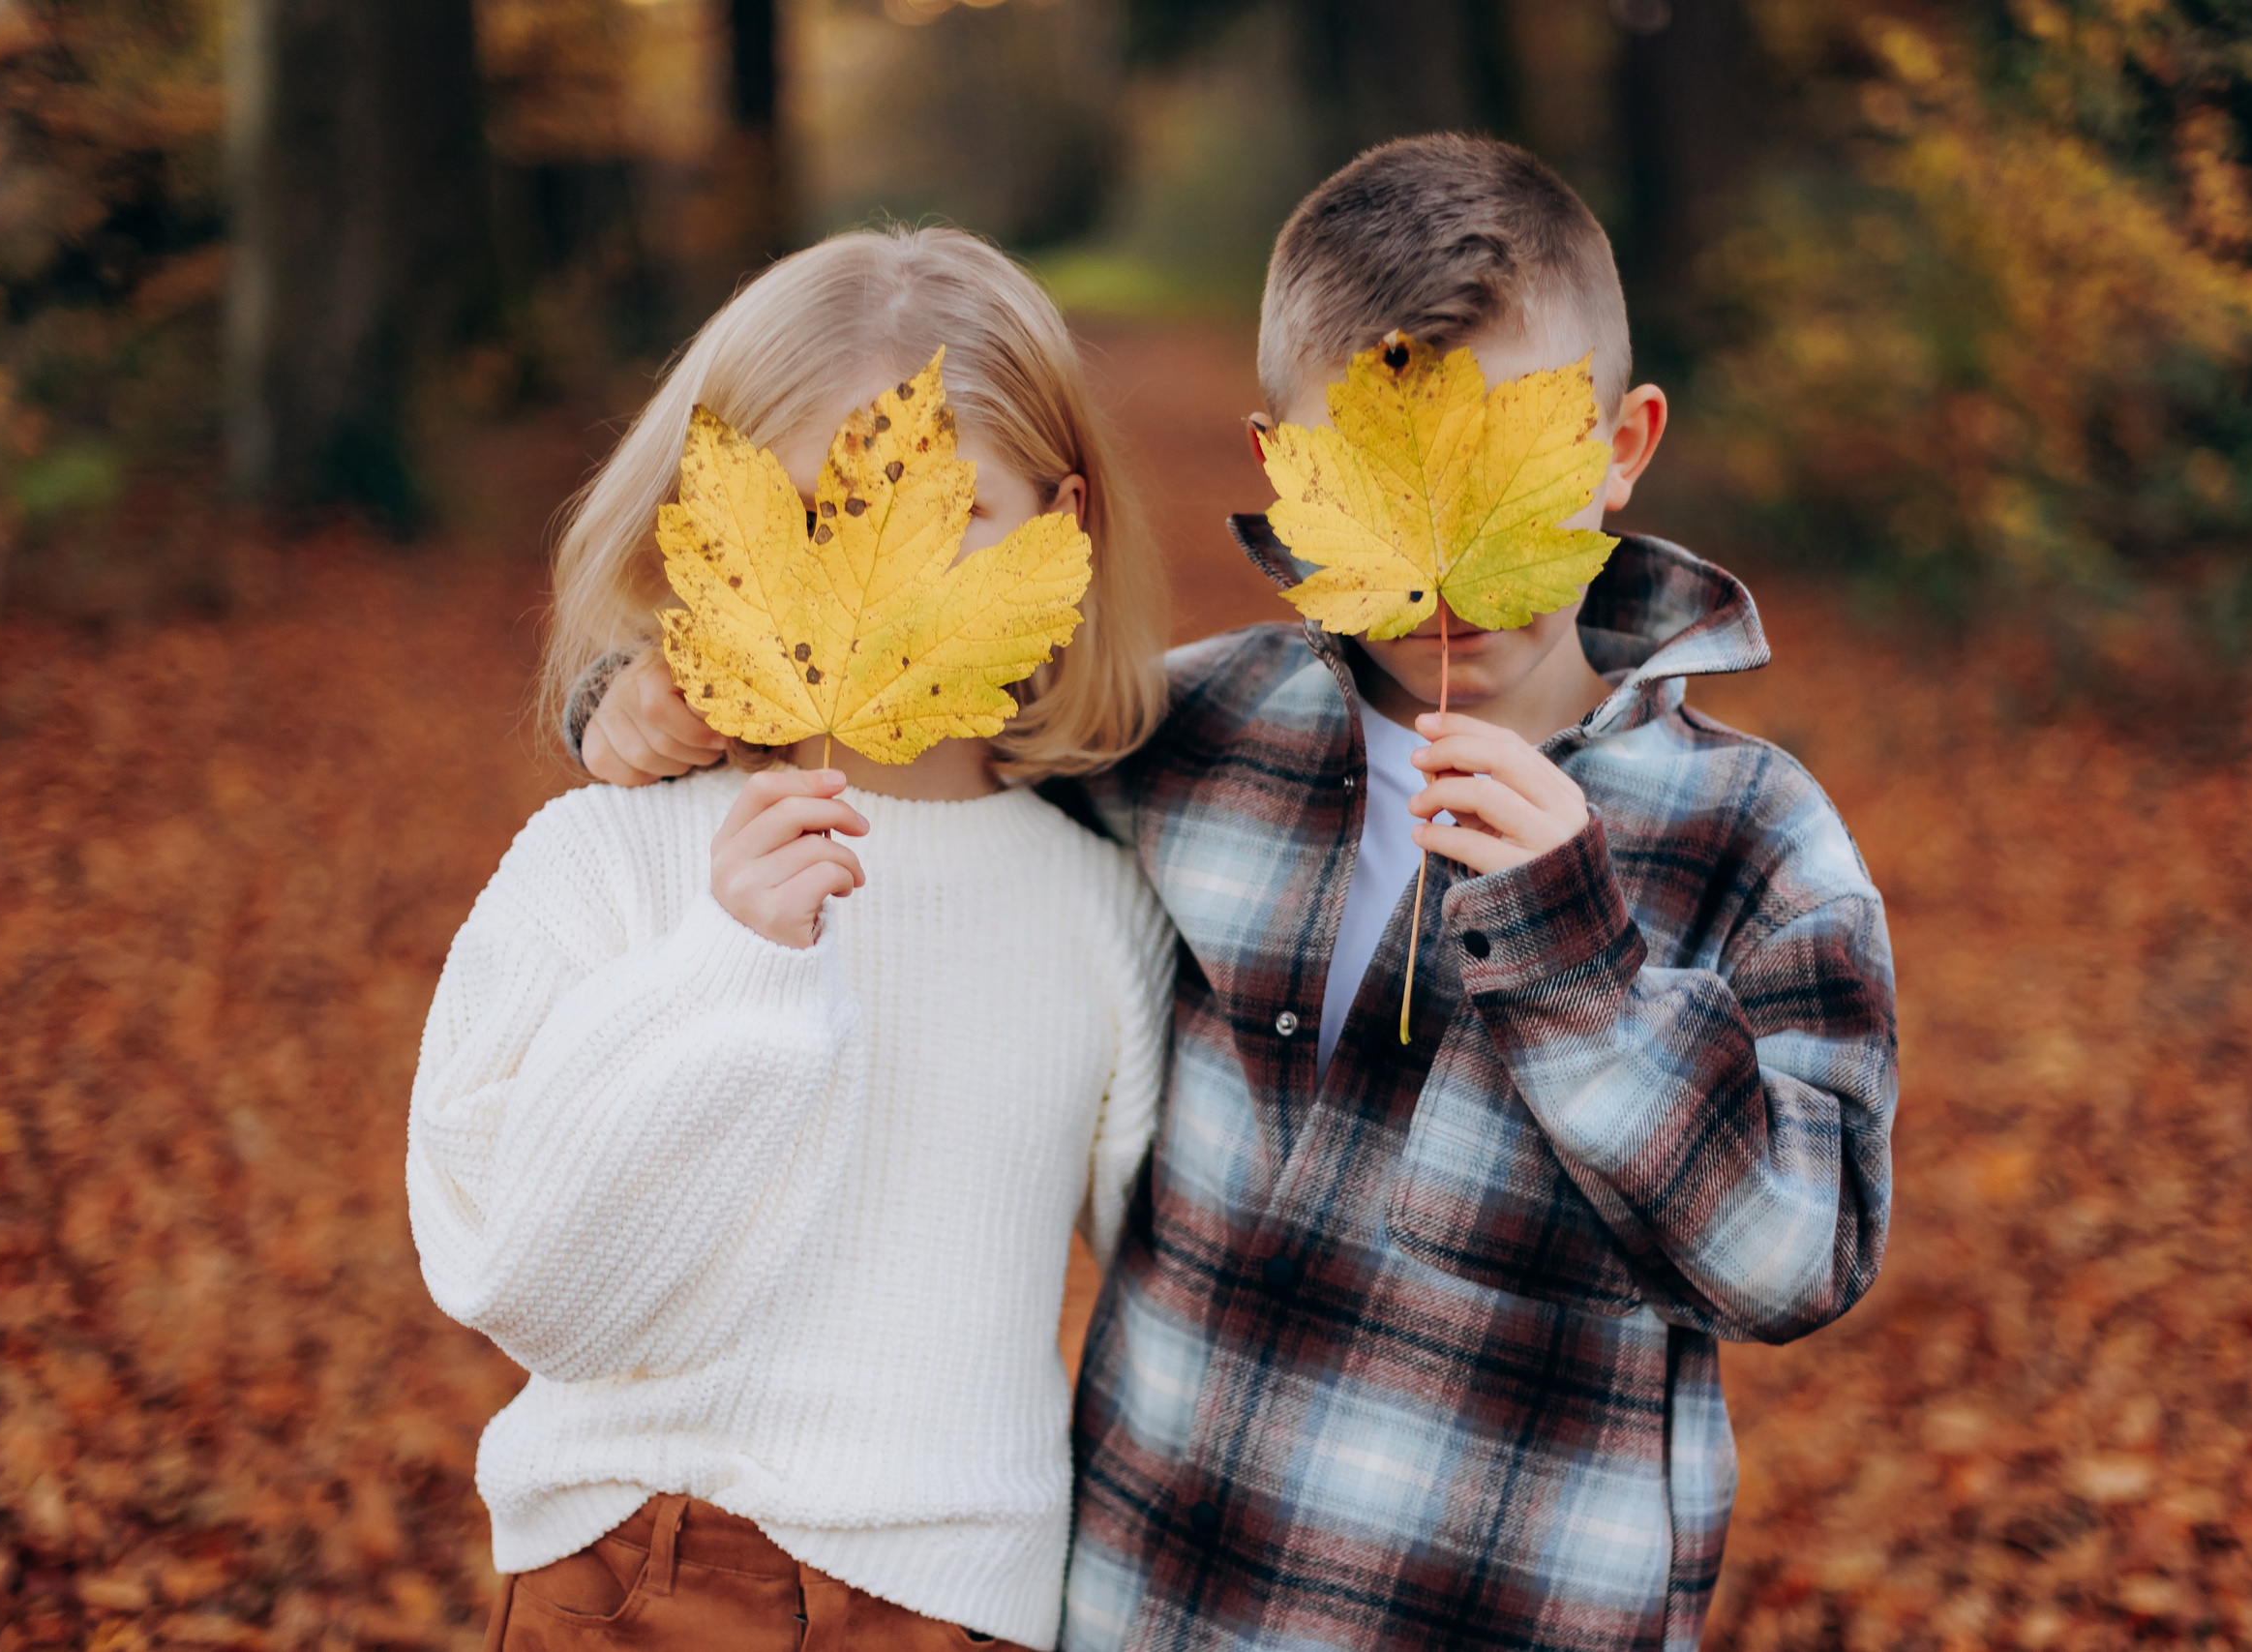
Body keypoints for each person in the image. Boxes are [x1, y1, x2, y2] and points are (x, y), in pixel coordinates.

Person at [581, 137, 1899, 1652]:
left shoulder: (1757, 838)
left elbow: (1800, 1262)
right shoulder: (1203, 736)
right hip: (1154, 1598)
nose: (1443, 567)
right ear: (1286, 471)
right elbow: (903, 718)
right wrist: (650, 701)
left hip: (1503, 1610)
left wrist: (1583, 965)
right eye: (1369, 486)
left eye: (1503, 470)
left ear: (1621, 443)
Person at [407, 225, 1174, 1652]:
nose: (874, 583)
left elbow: (1186, 1308)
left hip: (958, 1602)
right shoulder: (607, 860)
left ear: (1063, 526)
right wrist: (729, 971)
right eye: (805, 520)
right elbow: (524, 1290)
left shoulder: (1096, 914)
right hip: (638, 1567)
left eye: (958, 519)